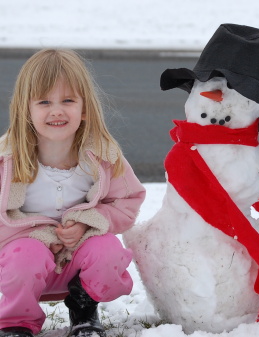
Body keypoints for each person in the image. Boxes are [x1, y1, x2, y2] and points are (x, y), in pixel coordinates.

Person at [0, 49, 146, 337]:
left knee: (108, 251)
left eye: (68, 100)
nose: (57, 110)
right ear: (25, 108)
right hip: (22, 263)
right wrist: (38, 237)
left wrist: (87, 222)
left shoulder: (103, 157)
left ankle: (83, 309)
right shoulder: (8, 160)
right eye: (44, 101)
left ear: (85, 107)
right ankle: (16, 322)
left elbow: (128, 201)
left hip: (79, 260)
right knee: (24, 256)